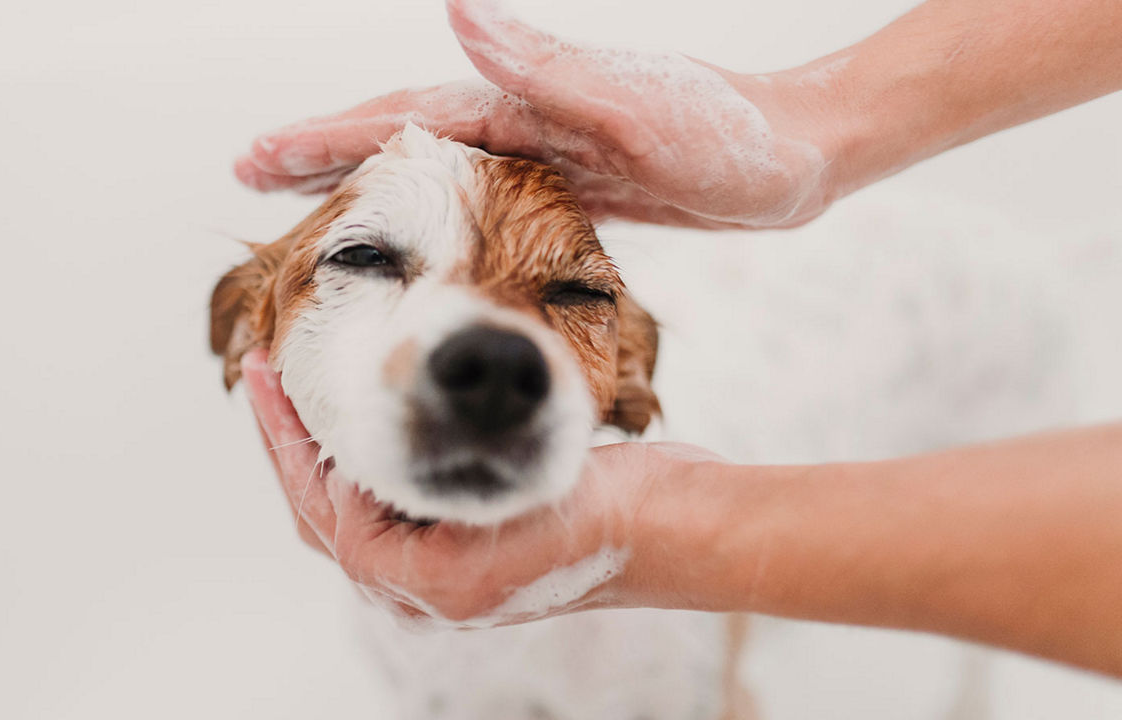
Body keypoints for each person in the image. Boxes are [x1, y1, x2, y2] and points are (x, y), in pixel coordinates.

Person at [235, 0, 1122, 677]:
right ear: (254, 336)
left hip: (990, 327)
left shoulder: (665, 653)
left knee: (974, 665)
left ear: (626, 383)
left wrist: (663, 535)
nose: (484, 347)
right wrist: (818, 124)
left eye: (575, 293)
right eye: (364, 259)